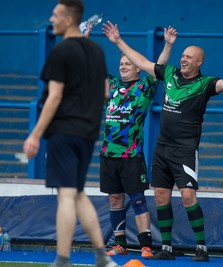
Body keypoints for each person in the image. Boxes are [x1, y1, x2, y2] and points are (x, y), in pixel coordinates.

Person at [102, 20, 223, 262]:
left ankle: (201, 247)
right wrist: (118, 42)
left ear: (200, 62)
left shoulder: (204, 84)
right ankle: (166, 248)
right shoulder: (169, 74)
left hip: (185, 149)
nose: (184, 59)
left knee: (188, 195)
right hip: (162, 148)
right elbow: (142, 62)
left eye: (190, 57)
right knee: (160, 197)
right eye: (183, 55)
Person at [22, 1, 118, 267]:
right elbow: (105, 93)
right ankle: (102, 256)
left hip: (64, 131)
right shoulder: (97, 51)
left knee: (66, 194)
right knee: (76, 192)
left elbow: (54, 97)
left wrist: (35, 135)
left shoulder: (61, 52)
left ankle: (62, 260)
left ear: (68, 20)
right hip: (88, 133)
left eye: (55, 15)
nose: (51, 19)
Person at [97, 26, 177, 258]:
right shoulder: (111, 85)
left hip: (131, 155)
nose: (123, 67)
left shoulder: (144, 87)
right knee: (115, 198)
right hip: (108, 155)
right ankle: (119, 243)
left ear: (137, 68)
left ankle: (145, 245)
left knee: (138, 199)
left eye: (128, 64)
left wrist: (168, 45)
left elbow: (158, 68)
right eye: (121, 64)